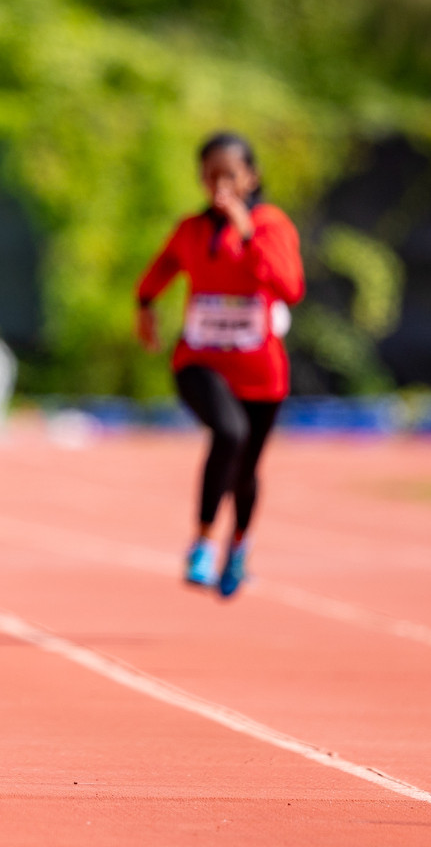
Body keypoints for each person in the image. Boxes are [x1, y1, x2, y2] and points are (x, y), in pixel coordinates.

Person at [136, 132, 305, 598]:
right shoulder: (191, 230)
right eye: (210, 176)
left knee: (246, 470)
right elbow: (163, 265)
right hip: (200, 361)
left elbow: (290, 287)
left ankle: (239, 545)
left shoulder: (270, 226)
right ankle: (203, 542)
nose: (219, 186)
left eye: (229, 175)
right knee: (228, 433)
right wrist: (145, 304)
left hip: (260, 373)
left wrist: (246, 232)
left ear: (251, 177)